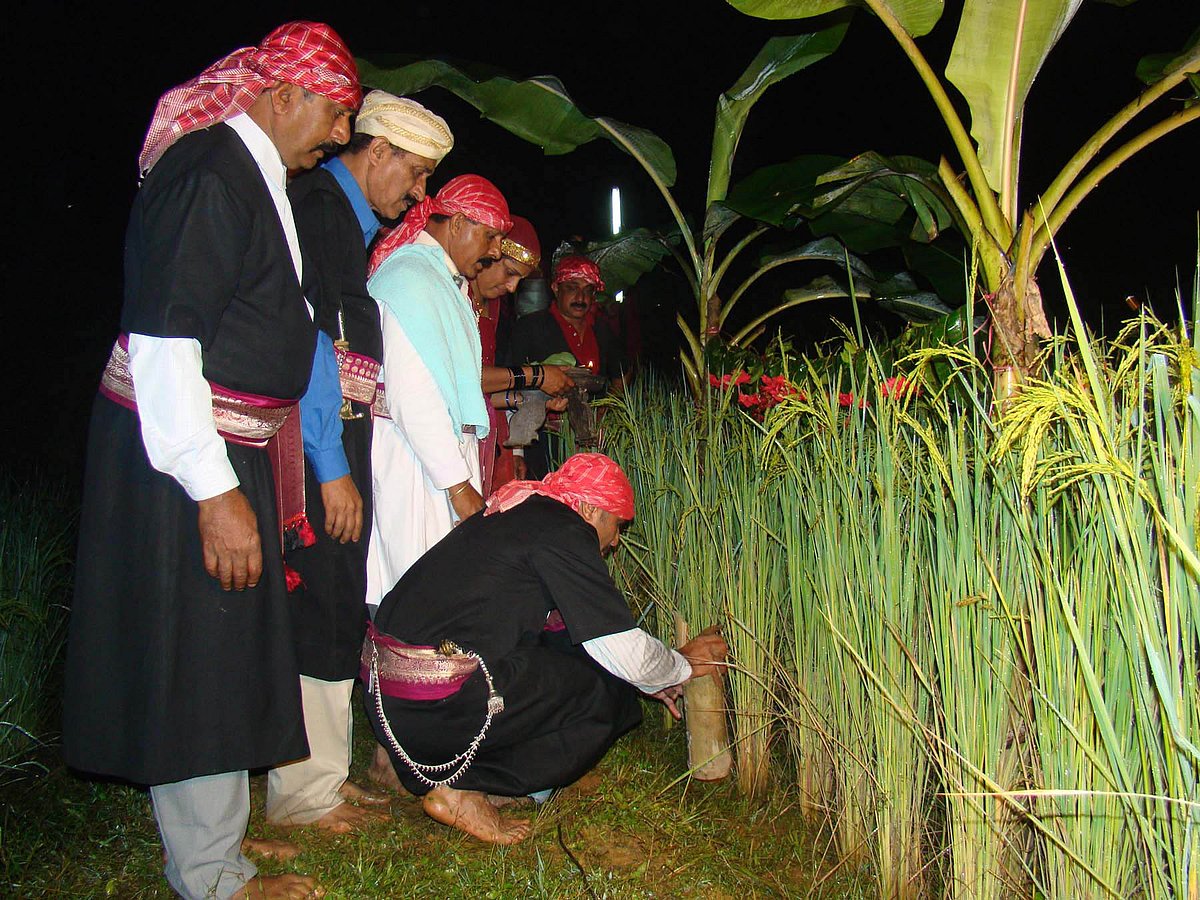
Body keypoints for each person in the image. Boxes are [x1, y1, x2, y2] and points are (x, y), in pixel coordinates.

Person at [62, 22, 359, 900]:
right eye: (336, 114)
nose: (341, 136)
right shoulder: (208, 174)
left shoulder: (253, 173)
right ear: (284, 94)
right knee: (197, 655)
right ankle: (211, 878)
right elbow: (163, 343)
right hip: (191, 461)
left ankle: (218, 853)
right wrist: (213, 490)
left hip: (236, 453)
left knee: (223, 651)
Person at [363, 453, 728, 844]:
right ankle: (462, 790)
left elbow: (571, 634)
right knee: (606, 696)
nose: (616, 540)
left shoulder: (523, 510)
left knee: (575, 661)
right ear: (589, 507)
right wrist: (682, 665)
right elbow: (624, 650)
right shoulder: (565, 531)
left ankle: (400, 763)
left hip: (387, 699)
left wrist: (647, 676)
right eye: (616, 524)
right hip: (433, 709)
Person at [266, 91, 453, 833]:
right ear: (378, 153)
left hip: (340, 442)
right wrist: (329, 465)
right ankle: (301, 795)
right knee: (321, 599)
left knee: (339, 598)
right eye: (412, 175)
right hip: (319, 448)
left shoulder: (349, 222)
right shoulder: (317, 211)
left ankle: (323, 775)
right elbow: (309, 340)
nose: (417, 194)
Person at [362, 174, 512, 617]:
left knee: (440, 599)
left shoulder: (441, 280)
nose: (493, 252)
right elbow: (413, 397)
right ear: (458, 223)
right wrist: (459, 486)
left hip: (435, 464)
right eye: (488, 236)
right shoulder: (411, 277)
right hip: (414, 465)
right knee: (412, 602)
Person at [502, 255, 629, 478]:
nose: (581, 298)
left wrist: (605, 413)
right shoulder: (530, 327)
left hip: (591, 442)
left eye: (588, 290)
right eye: (572, 288)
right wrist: (517, 451)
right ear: (555, 288)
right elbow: (509, 383)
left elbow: (621, 373)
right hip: (543, 440)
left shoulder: (601, 329)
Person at [470, 216, 570, 495]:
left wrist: (516, 449)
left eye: (520, 280)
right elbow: (466, 380)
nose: (513, 287)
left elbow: (491, 391)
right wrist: (538, 377)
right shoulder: (456, 297)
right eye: (509, 272)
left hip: (493, 439)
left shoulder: (497, 307)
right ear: (490, 254)